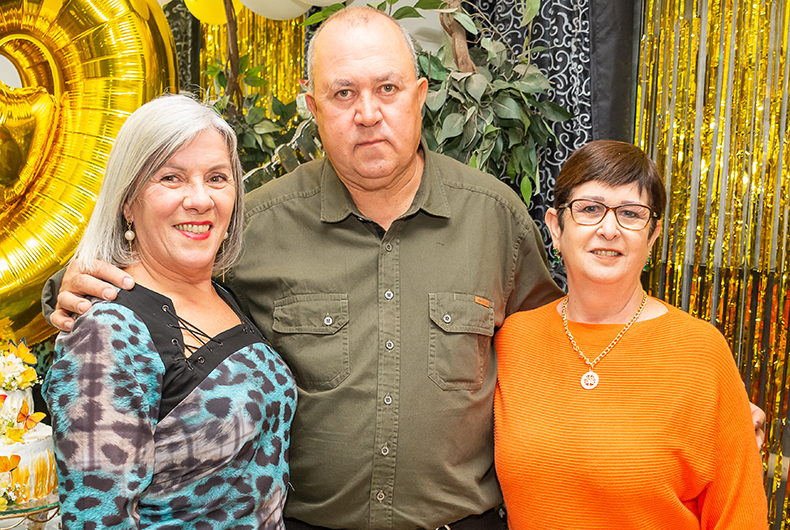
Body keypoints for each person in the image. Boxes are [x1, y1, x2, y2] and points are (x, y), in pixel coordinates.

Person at [42, 9, 765, 529]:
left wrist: (710, 412)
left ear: (421, 96)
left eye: (387, 89)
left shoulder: (493, 217)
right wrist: (70, 287)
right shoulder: (251, 223)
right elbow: (170, 290)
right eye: (343, 94)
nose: (368, 114)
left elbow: (566, 340)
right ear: (312, 107)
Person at [42, 94, 296, 529]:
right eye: (171, 178)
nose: (199, 199)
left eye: (217, 178)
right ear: (128, 201)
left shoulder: (225, 295)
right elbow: (98, 519)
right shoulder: (108, 329)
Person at [493, 140, 767, 529]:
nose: (609, 229)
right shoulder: (513, 340)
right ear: (555, 226)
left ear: (653, 236)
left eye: (630, 214)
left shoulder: (701, 352)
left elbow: (740, 516)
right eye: (589, 209)